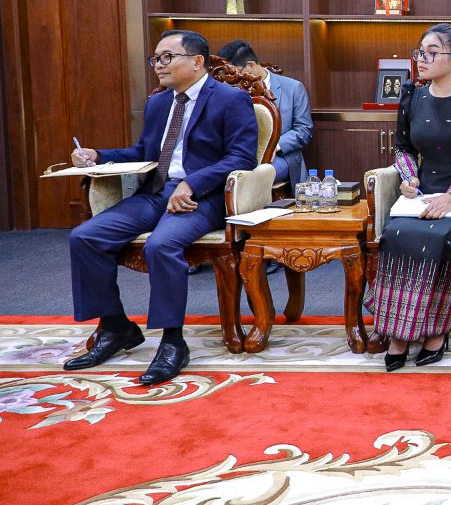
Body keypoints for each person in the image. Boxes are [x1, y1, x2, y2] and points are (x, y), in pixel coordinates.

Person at [64, 30, 258, 385]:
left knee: (161, 244)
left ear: (197, 61)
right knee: (84, 237)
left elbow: (242, 157)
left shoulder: (231, 99)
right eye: (155, 58)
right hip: (154, 193)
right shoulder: (158, 103)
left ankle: (172, 342)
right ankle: (116, 327)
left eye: (167, 57)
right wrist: (98, 155)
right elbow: (144, 153)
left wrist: (193, 182)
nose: (158, 65)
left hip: (202, 197)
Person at [363, 24, 451, 372]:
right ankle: (398, 333)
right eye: (420, 51)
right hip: (424, 193)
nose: (421, 59)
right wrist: (409, 178)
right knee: (396, 232)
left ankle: (435, 331)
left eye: (431, 52)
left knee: (437, 236)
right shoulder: (413, 96)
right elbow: (403, 148)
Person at [218, 40, 313, 191]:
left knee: (249, 179)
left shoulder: (293, 88)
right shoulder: (227, 89)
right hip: (238, 156)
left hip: (280, 156)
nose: (232, 78)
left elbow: (303, 130)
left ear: (250, 65)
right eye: (228, 73)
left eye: (235, 72)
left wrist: (273, 146)